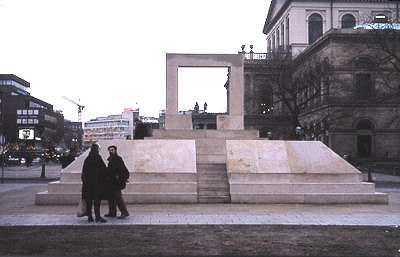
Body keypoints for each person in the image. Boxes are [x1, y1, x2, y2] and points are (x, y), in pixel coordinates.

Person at [81, 144, 108, 223]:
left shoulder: (87, 159)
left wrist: (85, 182)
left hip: (88, 184)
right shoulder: (98, 158)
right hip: (97, 184)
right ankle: (97, 216)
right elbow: (103, 169)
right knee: (97, 201)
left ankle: (90, 216)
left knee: (89, 201)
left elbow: (84, 172)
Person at [105, 145, 130, 219]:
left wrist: (124, 177)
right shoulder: (110, 159)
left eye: (112, 150)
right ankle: (112, 212)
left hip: (116, 182)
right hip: (111, 182)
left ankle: (124, 212)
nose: (111, 151)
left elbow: (123, 169)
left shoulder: (118, 159)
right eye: (109, 150)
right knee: (111, 198)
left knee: (118, 198)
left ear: (115, 150)